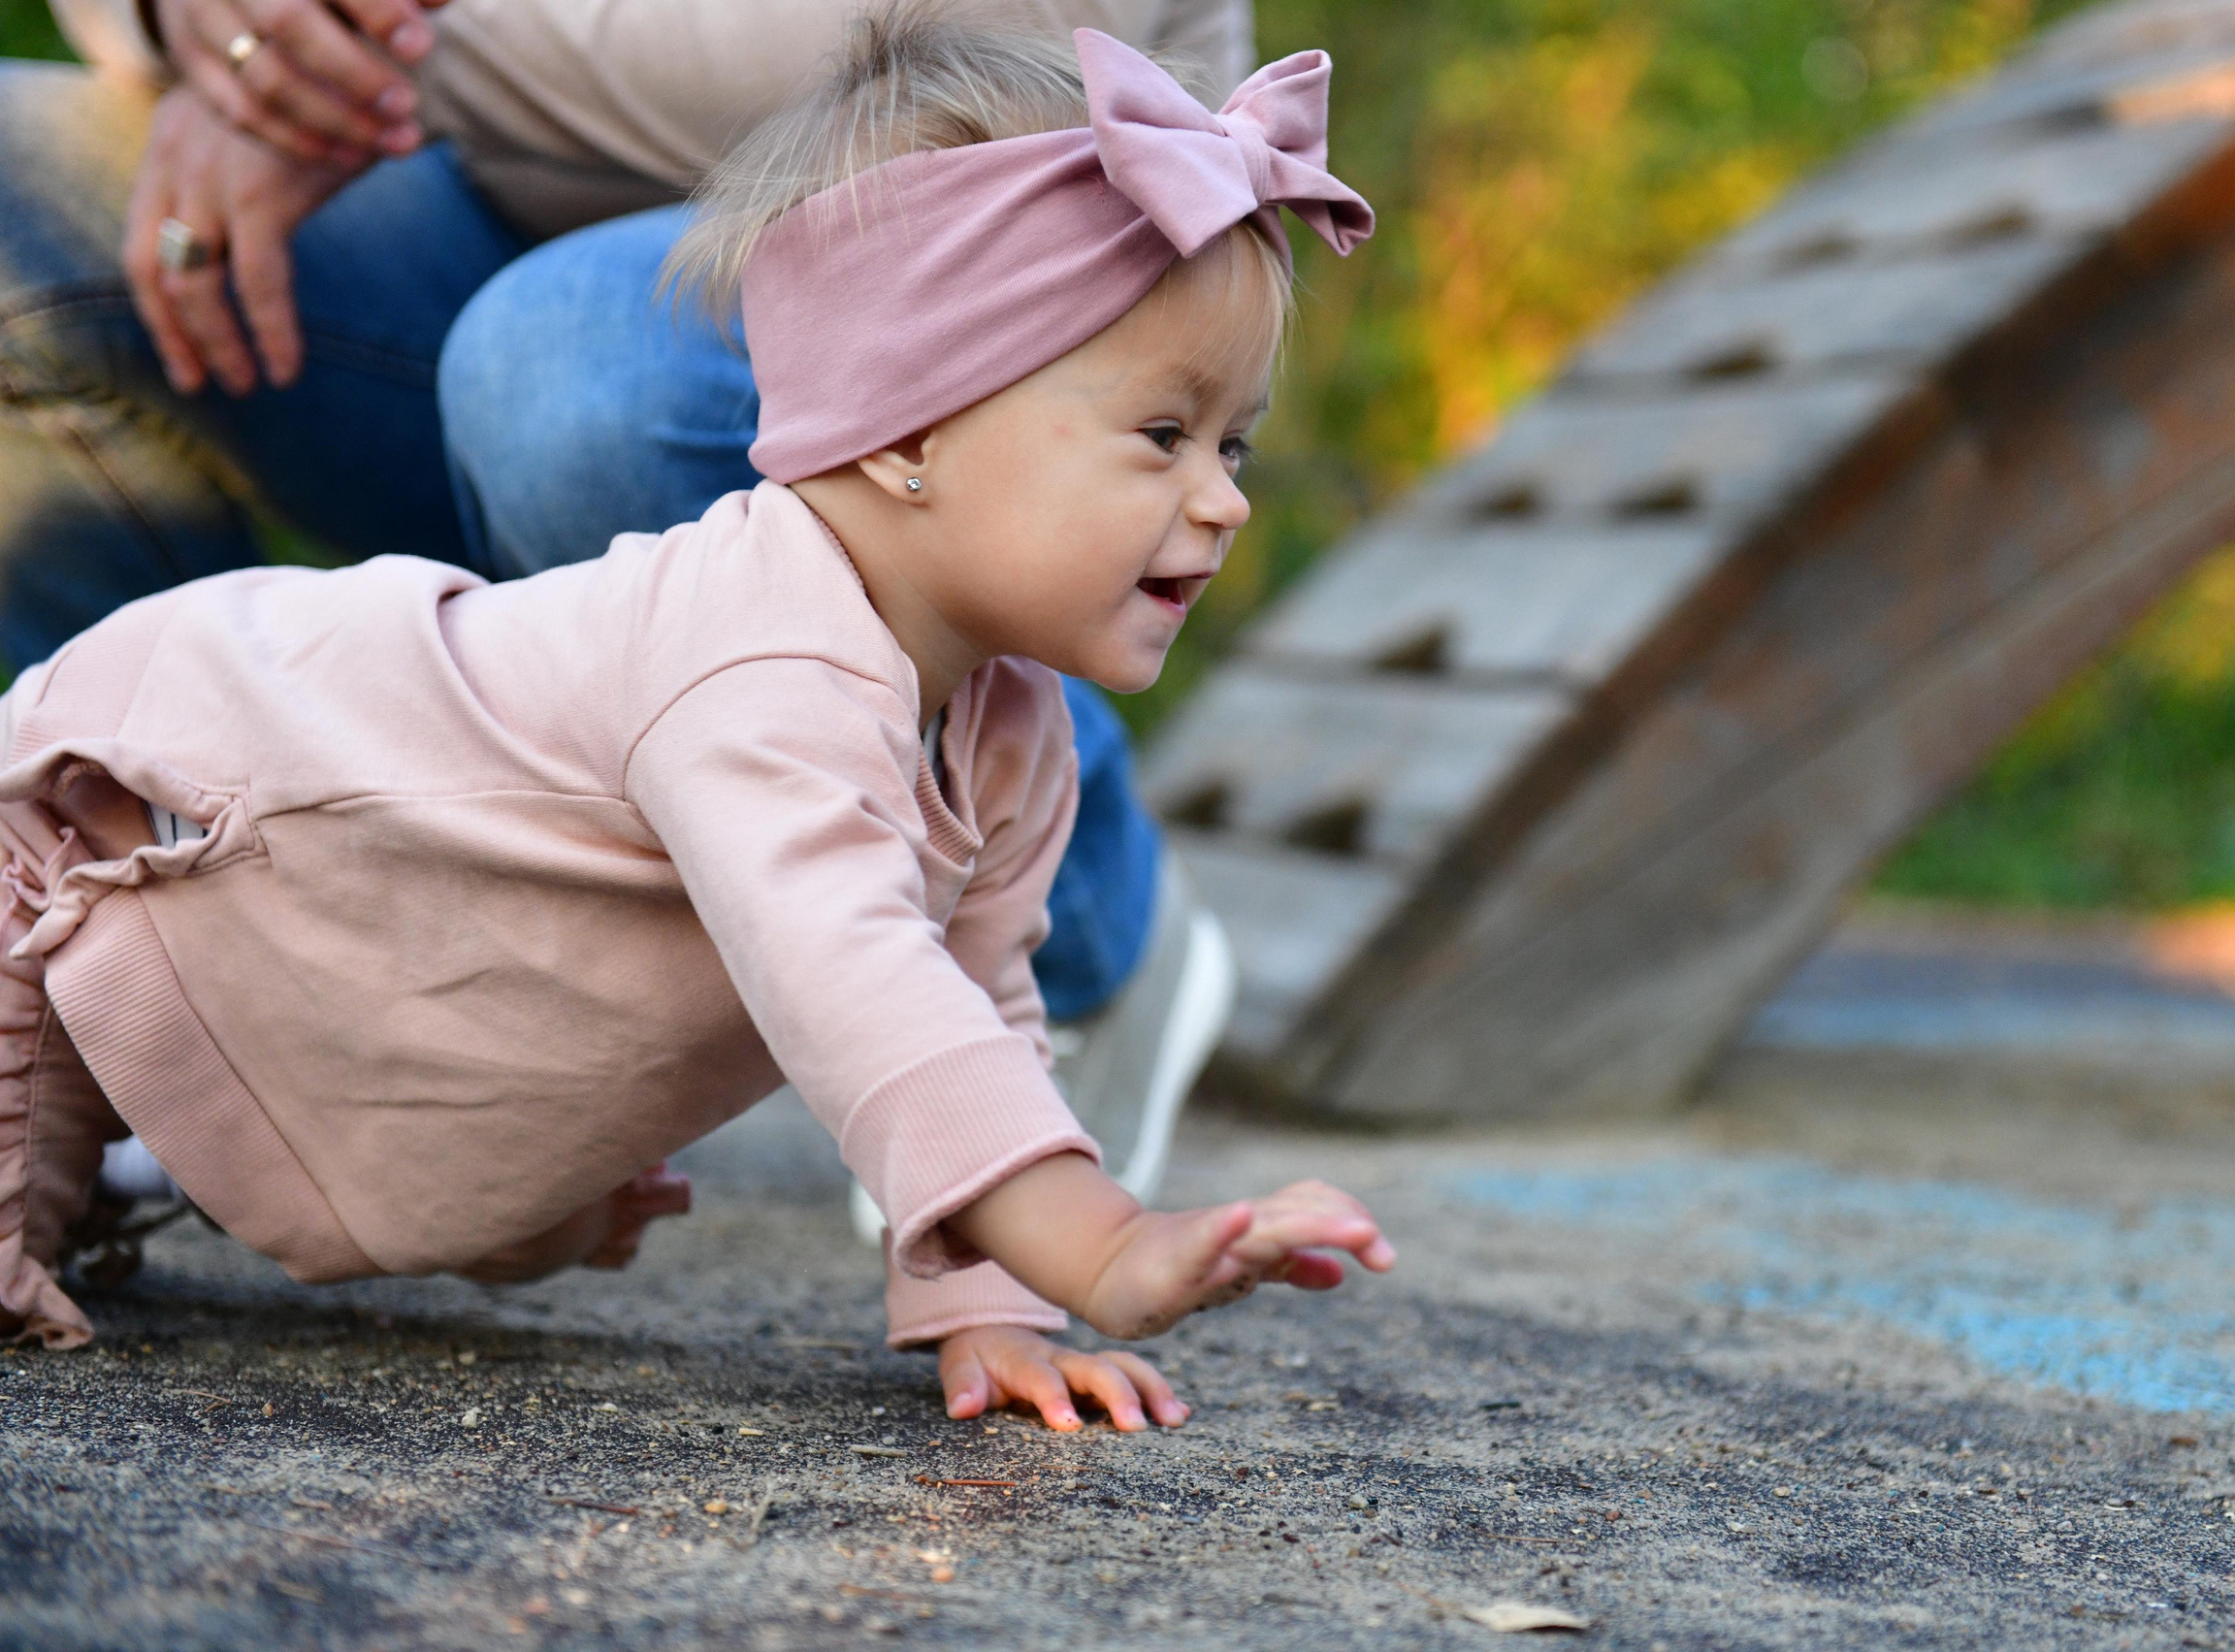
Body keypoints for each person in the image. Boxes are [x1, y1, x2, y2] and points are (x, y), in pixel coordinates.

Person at [0, 12, 1393, 1430]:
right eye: (1165, 436)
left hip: (294, 930)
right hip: (97, 838)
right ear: (911, 436)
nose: (1223, 499)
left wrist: (993, 1310)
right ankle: (127, 1129)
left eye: (1236, 443)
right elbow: (862, 989)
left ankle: (142, 1140)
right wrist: (1105, 1244)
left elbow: (973, 1002)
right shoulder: (754, 653)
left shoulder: (1004, 724)